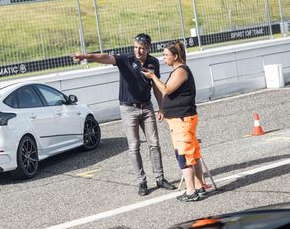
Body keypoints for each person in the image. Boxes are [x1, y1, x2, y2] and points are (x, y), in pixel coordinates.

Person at [73, 33, 176, 196]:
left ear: (148, 48)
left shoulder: (153, 62)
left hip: (147, 107)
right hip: (128, 109)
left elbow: (156, 86)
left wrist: (161, 107)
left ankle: (160, 178)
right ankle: (142, 182)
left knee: (154, 143)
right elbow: (106, 58)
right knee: (134, 146)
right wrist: (87, 56)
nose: (138, 51)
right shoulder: (125, 59)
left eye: (142, 48)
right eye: (136, 47)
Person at [141, 40, 205, 202]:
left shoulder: (181, 71)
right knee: (193, 154)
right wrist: (163, 109)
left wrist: (152, 76)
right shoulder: (177, 70)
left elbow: (166, 89)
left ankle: (191, 191)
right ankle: (199, 186)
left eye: (166, 55)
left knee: (184, 155)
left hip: (182, 118)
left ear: (175, 56)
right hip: (180, 117)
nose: (163, 58)